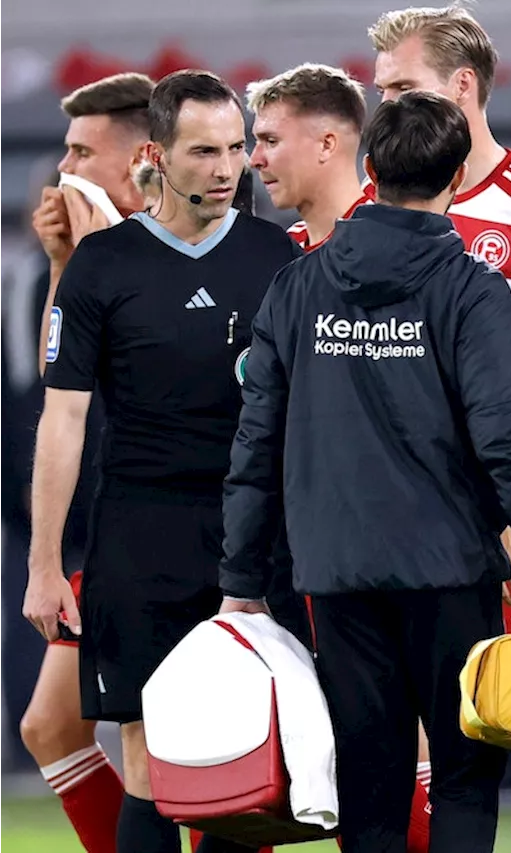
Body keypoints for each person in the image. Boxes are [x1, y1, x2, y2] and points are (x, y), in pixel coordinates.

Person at [218, 90, 511, 853]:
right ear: (456, 179)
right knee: (461, 773)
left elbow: (256, 444)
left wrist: (241, 582)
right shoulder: (470, 290)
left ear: (371, 167)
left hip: (337, 574)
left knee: (370, 775)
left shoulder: (300, 285)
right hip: (449, 570)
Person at [23, 69, 305, 853]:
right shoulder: (103, 265)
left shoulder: (278, 256)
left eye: (237, 149)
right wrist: (46, 563)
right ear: (157, 153)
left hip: (253, 537)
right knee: (147, 758)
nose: (225, 168)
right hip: (139, 537)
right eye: (204, 151)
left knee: (245, 761)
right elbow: (63, 418)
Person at [367, 7, 511, 849]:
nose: (382, 103)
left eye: (401, 87)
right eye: (378, 88)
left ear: (462, 87)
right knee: (418, 738)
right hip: (405, 524)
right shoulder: (372, 200)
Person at [19, 70, 153, 853]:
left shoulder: (186, 233)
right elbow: (59, 374)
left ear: (138, 154)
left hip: (192, 525)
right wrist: (68, 261)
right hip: (112, 525)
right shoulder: (100, 255)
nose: (62, 171)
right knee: (50, 726)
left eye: (79, 152)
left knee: (182, 743)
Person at [246, 63, 373, 251]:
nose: (254, 160)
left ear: (325, 146)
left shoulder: (387, 245)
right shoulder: (283, 251)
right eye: (257, 142)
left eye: (271, 141)